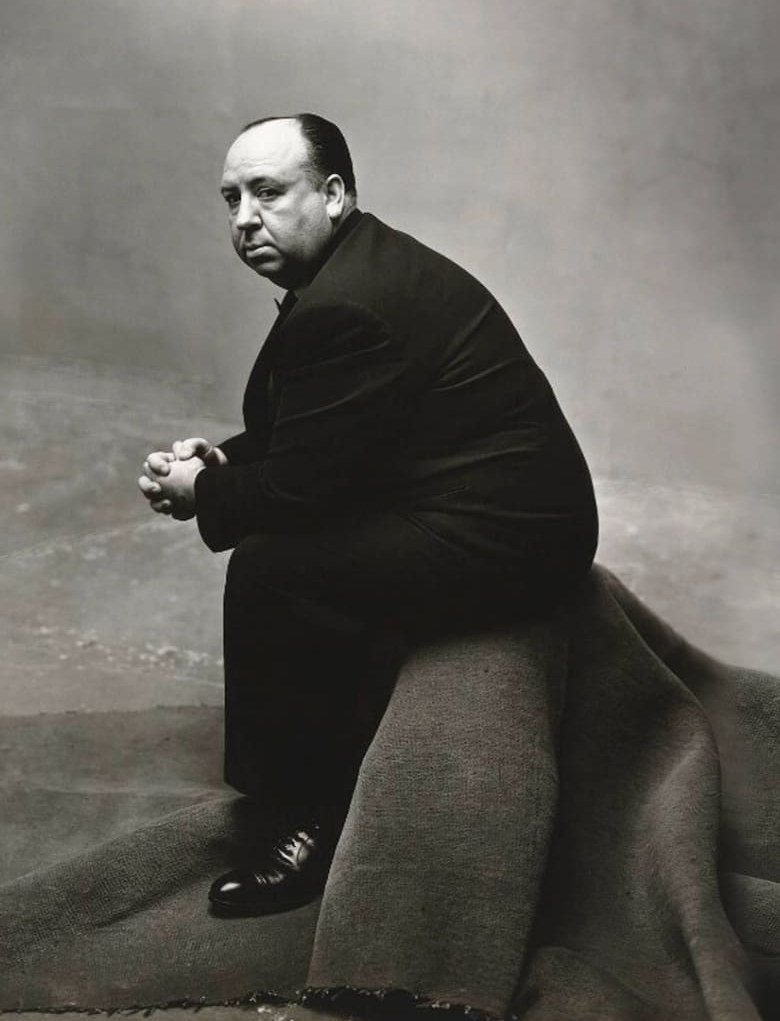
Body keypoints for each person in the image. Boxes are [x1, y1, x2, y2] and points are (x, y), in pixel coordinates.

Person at [137, 113, 599, 917]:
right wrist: (222, 461)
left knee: (271, 568)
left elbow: (299, 493)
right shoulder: (354, 268)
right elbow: (331, 430)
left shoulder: (349, 302)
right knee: (293, 547)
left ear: (334, 194)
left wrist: (199, 493)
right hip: (461, 494)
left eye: (268, 192)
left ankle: (300, 817)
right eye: (232, 198)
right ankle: (320, 772)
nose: (245, 218)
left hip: (511, 536)